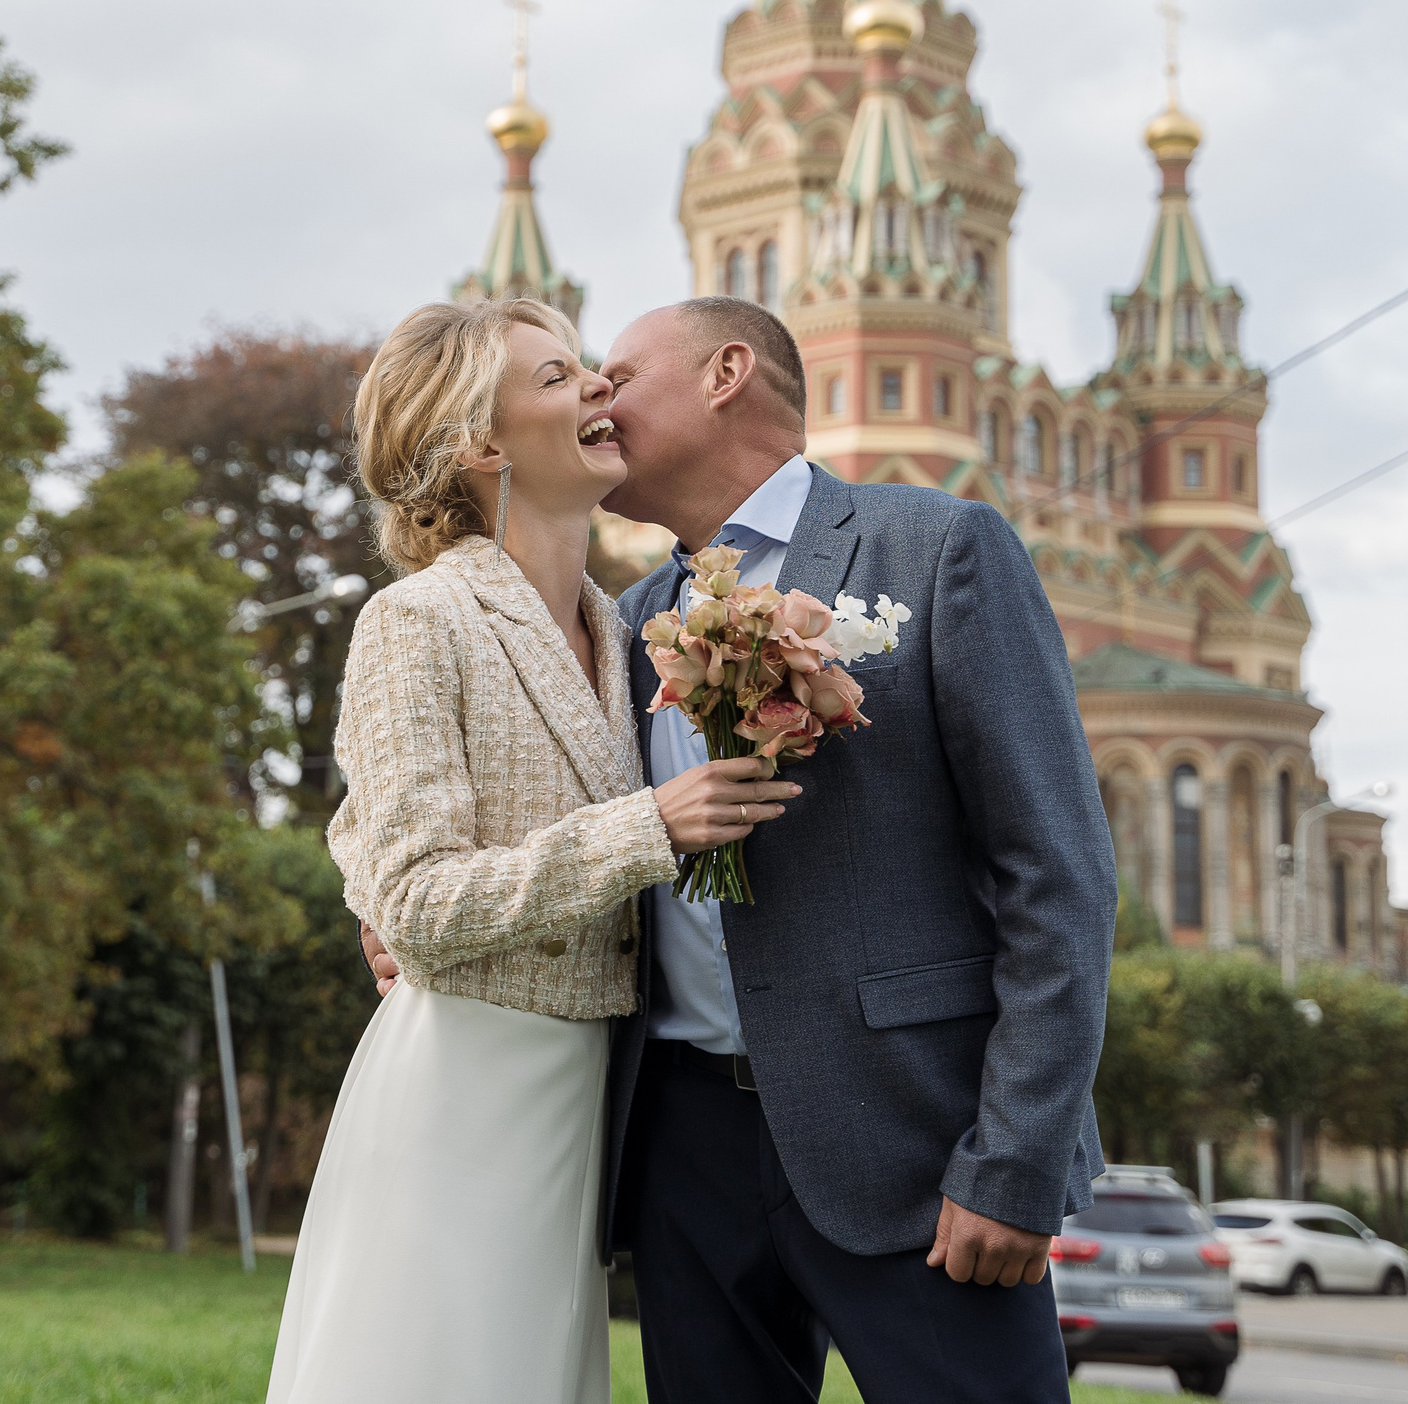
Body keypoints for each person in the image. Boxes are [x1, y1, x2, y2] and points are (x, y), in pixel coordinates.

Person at [366, 296, 1117, 1403]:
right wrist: (387, 911)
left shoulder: (936, 549)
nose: (597, 400)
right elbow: (510, 829)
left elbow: (1060, 876)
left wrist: (1015, 1162)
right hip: (683, 1154)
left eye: (616, 373)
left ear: (725, 374)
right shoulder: (621, 625)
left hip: (914, 1144)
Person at [266, 298, 797, 1404]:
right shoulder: (417, 620)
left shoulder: (630, 627)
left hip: (590, 1108)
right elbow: (416, 901)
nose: (599, 389)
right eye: (559, 378)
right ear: (484, 446)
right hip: (464, 1091)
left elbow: (372, 850)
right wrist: (651, 828)